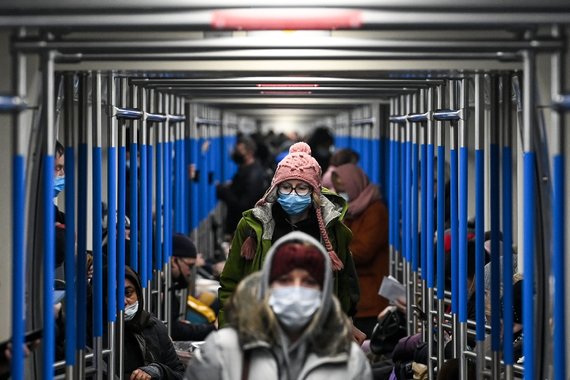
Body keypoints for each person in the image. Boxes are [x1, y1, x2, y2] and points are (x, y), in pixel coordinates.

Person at [185, 231, 372, 380]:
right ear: (267, 286)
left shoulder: (348, 359)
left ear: (324, 292)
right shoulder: (223, 351)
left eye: (308, 282)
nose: (296, 290)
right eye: (285, 280)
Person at [218, 142, 360, 328]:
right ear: (275, 189)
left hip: (316, 329)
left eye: (302, 187)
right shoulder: (253, 226)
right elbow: (231, 282)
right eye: (286, 187)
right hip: (262, 327)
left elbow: (345, 286)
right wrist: (229, 327)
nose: (293, 194)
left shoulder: (333, 230)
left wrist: (341, 326)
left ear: (314, 192)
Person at [331, 163, 389, 337]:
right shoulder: (350, 209)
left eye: (345, 188)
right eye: (338, 188)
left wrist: (335, 253)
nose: (342, 193)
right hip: (354, 294)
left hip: (370, 295)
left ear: (355, 185)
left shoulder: (375, 211)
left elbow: (364, 250)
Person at [122, 266, 185, 379]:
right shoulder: (96, 338)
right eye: (113, 295)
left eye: (128, 293)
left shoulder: (154, 327)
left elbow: (180, 375)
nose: (123, 301)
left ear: (139, 295)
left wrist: (159, 370)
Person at [216, 136, 269, 236]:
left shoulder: (254, 174)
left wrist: (223, 191)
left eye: (240, 151)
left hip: (246, 228)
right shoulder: (246, 169)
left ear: (250, 152)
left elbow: (244, 205)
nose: (236, 154)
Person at [170, 233, 216, 341]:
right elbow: (173, 329)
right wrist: (211, 328)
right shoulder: (159, 288)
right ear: (174, 260)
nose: (190, 272)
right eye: (189, 266)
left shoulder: (171, 285)